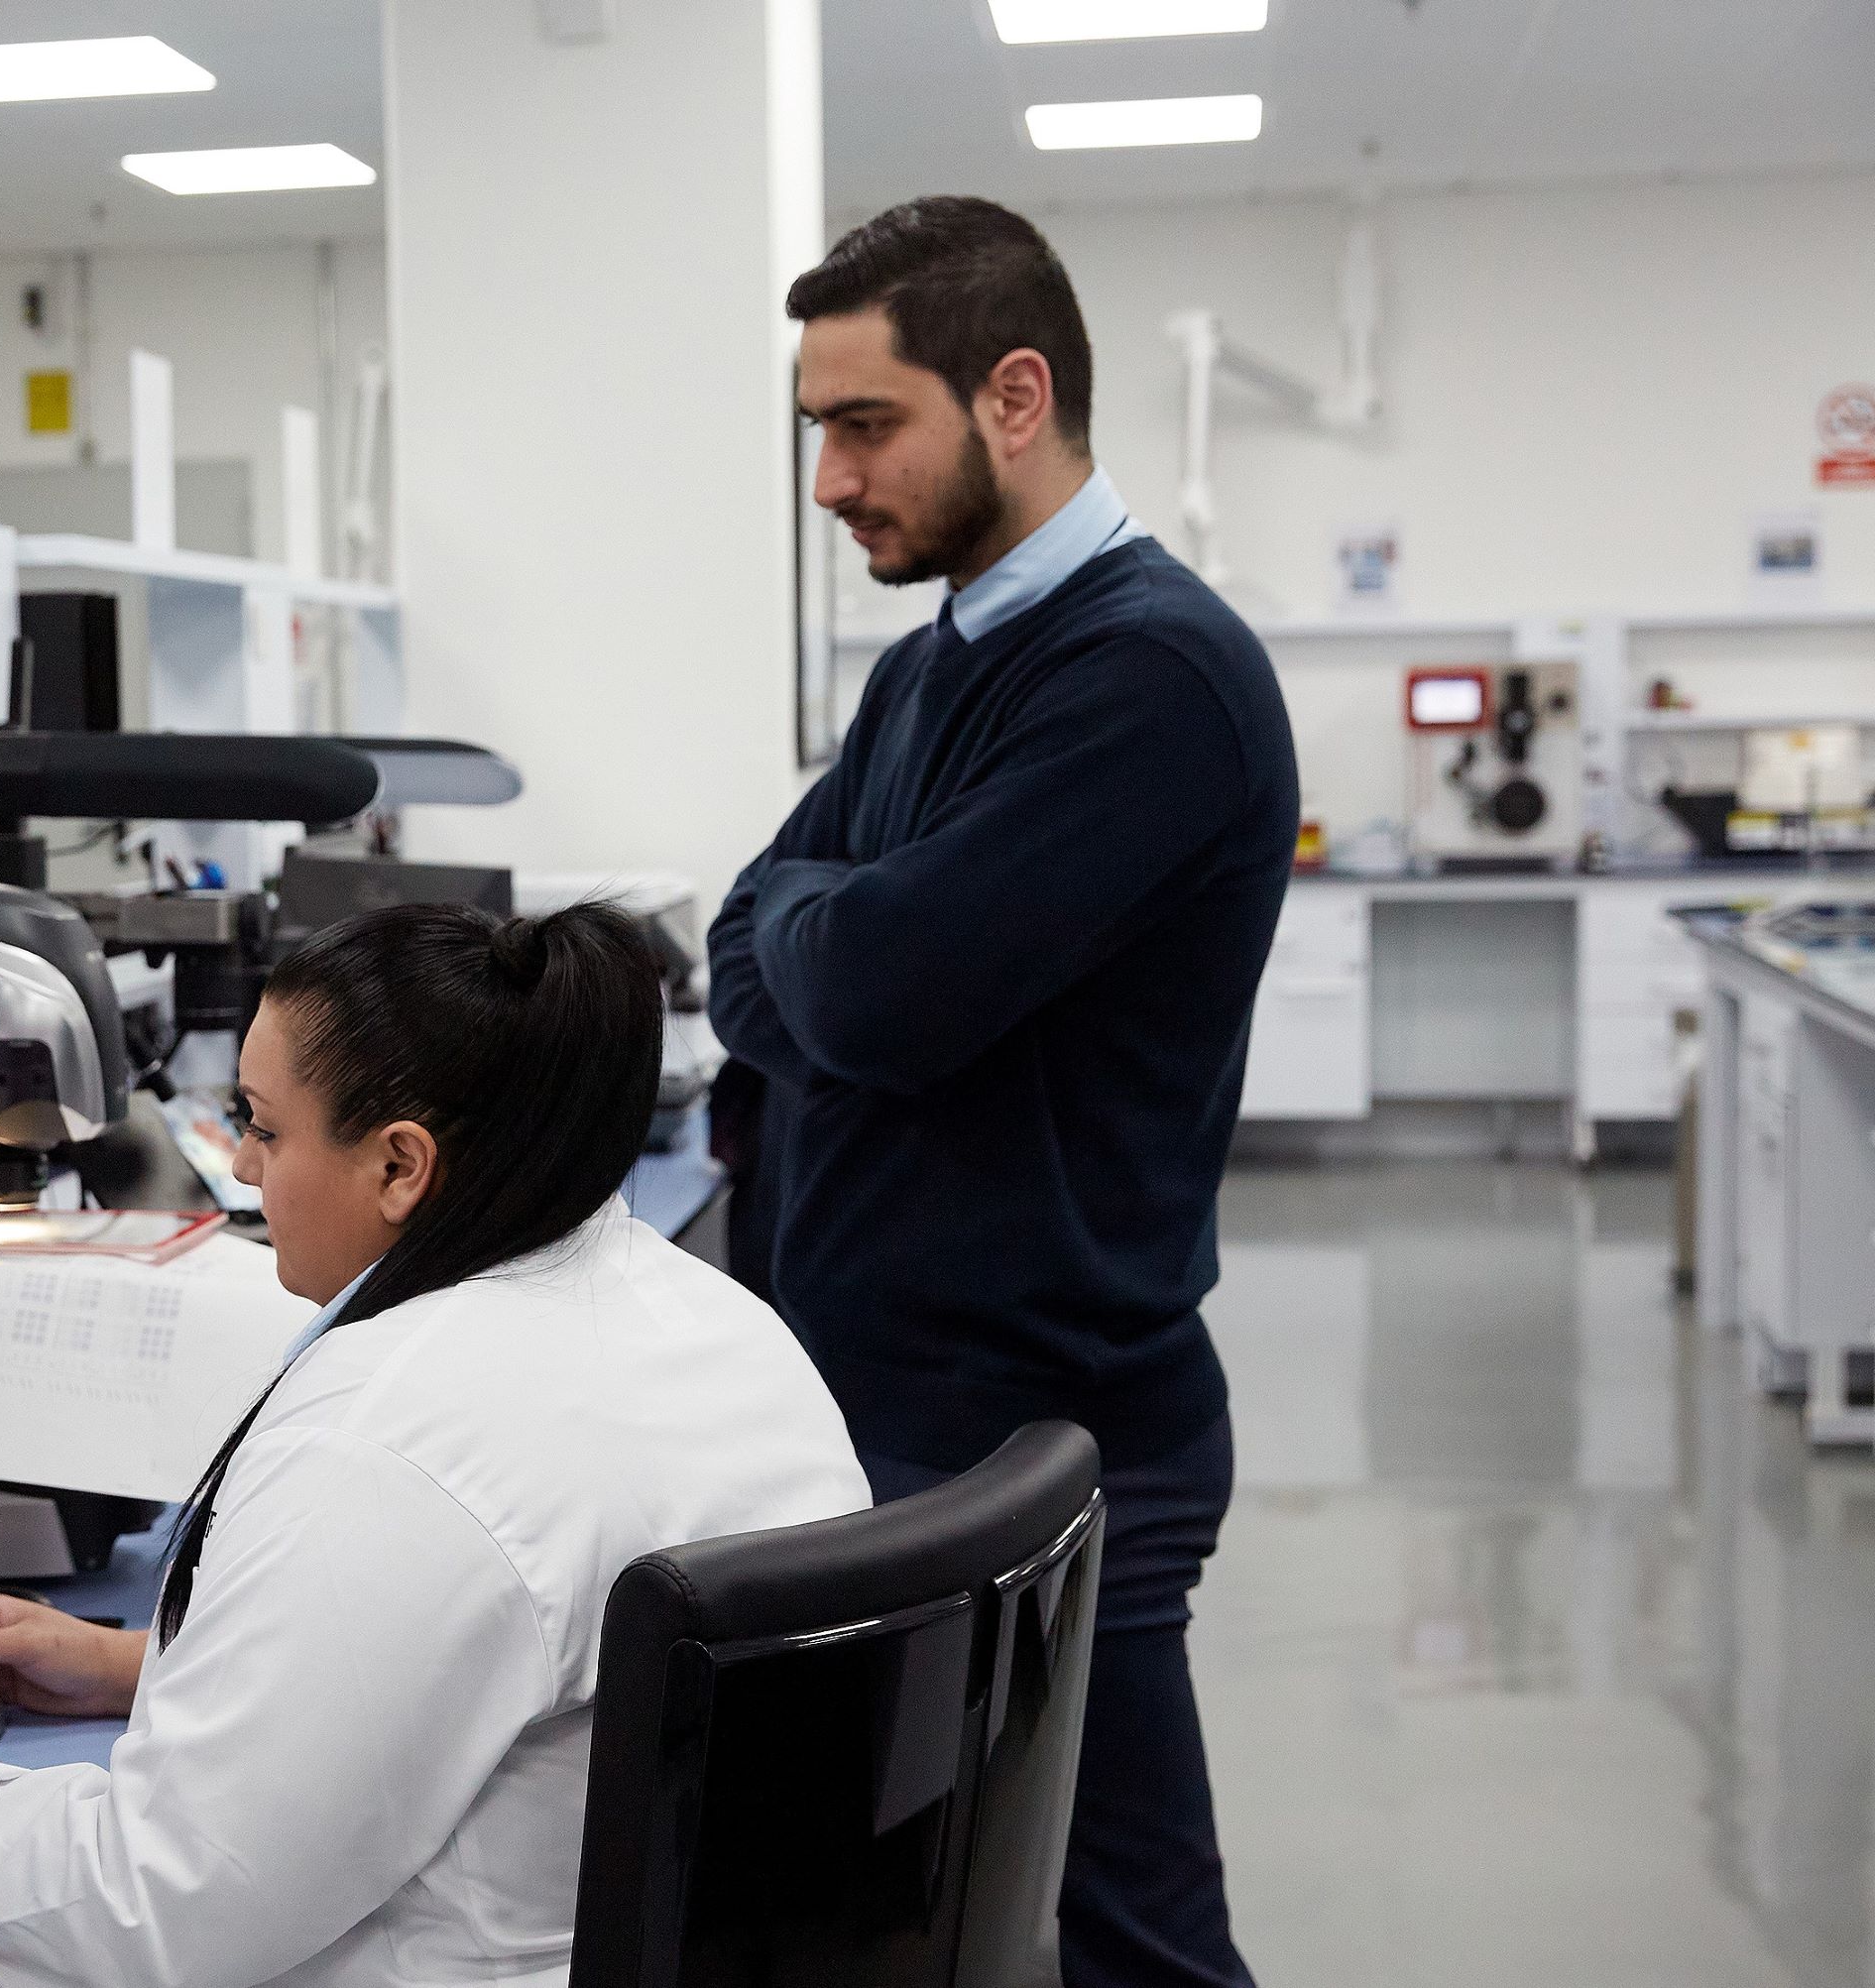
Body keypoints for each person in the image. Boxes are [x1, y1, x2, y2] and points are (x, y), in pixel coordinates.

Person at [0, 900, 869, 1987]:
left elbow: (163, 1905)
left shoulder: (393, 1437)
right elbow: (524, 1663)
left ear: (400, 1165)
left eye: (267, 1128)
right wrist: (144, 1667)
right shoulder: (716, 1321)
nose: (240, 1164)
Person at [706, 196, 1296, 1988]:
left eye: (865, 423)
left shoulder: (1151, 675)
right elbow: (747, 947)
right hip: (896, 1414)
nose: (829, 479)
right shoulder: (929, 665)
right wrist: (836, 937)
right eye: (817, 428)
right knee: (898, 1931)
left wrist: (839, 941)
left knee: (1129, 1947)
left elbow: (874, 997)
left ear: (1014, 397)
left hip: (1047, 1437)